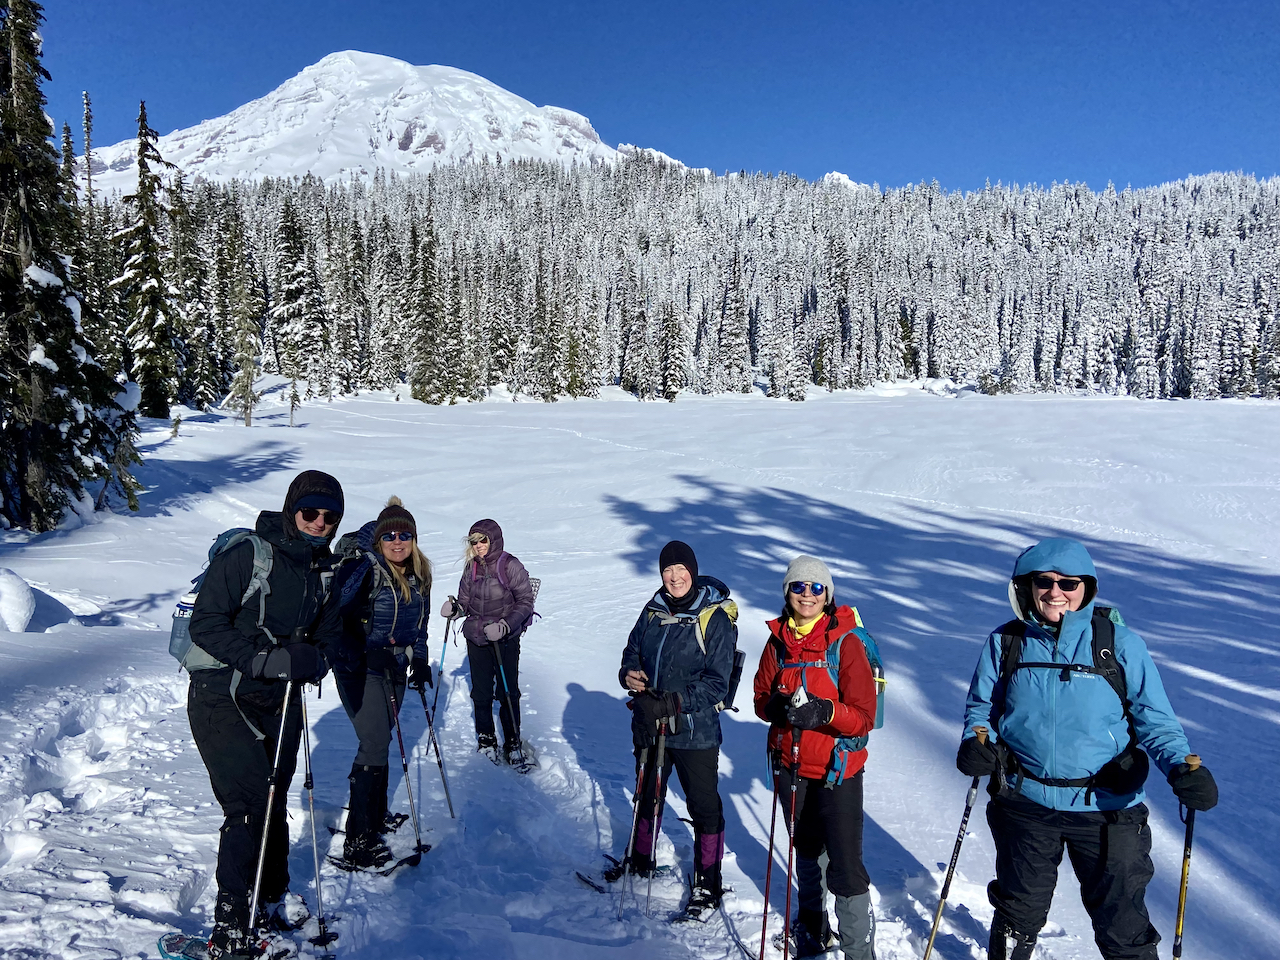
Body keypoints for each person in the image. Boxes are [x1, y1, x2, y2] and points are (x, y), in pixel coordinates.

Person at [958, 537, 1219, 960]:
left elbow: (1155, 720)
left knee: (1123, 928)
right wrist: (975, 741)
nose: (1055, 592)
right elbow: (981, 709)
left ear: (1087, 588)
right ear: (1026, 585)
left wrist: (1181, 768)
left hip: (1107, 809)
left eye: (1069, 583)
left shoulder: (1119, 644)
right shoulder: (1005, 642)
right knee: (1016, 916)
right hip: (1025, 803)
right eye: (1044, 581)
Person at [187, 470, 344, 957]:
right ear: (292, 509)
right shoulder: (249, 555)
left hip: (281, 699)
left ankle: (273, 897)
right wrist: (263, 660)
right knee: (250, 804)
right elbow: (204, 623)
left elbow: (330, 633)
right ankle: (232, 927)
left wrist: (316, 658)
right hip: (222, 695)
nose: (319, 522)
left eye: (330, 516)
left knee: (274, 799)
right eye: (310, 512)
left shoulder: (323, 568)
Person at [752, 555, 878, 960]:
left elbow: (864, 716)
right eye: (798, 586)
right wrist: (773, 707)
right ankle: (812, 927)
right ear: (787, 592)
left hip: (837, 771)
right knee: (806, 849)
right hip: (791, 768)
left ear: (828, 595)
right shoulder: (778, 641)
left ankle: (859, 953)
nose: (807, 594)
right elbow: (760, 696)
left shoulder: (846, 643)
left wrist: (826, 712)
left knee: (845, 867)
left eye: (816, 587)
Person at [610, 540, 735, 920]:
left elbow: (718, 683)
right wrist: (628, 674)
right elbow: (632, 651)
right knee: (647, 793)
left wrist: (674, 703)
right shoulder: (653, 610)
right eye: (668, 570)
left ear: (692, 572)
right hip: (650, 722)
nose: (675, 577)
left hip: (695, 731)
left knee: (703, 805)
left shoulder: (714, 618)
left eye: (681, 569)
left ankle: (708, 882)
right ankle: (640, 859)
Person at [331, 497, 433, 868]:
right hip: (359, 669)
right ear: (378, 539)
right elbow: (333, 622)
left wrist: (419, 660)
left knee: (383, 739)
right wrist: (363, 652)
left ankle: (374, 817)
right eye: (389, 535)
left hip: (394, 667)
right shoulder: (364, 569)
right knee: (374, 742)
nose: (397, 541)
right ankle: (358, 841)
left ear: (414, 539)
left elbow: (420, 626)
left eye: (404, 535)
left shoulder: (420, 575)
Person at [440, 519, 535, 765]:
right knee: (480, 692)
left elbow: (526, 602)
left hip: (504, 639)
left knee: (507, 691)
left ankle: (513, 742)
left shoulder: (510, 565)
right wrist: (455, 609)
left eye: (483, 540)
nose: (478, 545)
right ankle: (486, 739)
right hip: (477, 637)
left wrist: (505, 625)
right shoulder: (471, 567)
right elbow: (465, 601)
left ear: (494, 540)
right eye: (474, 542)